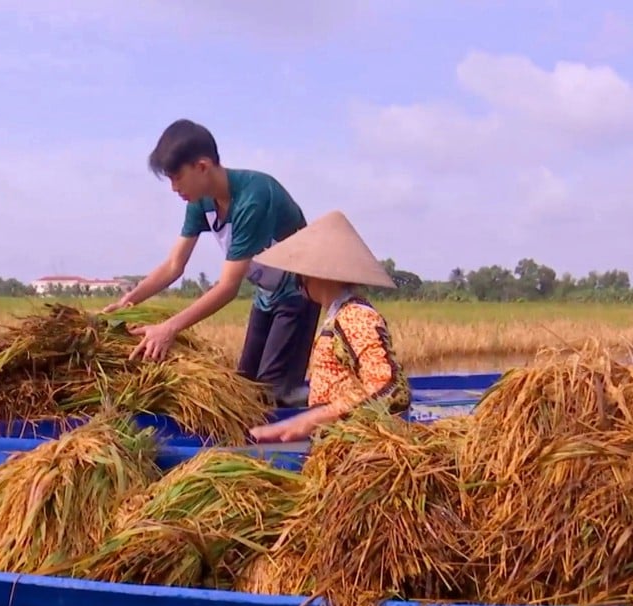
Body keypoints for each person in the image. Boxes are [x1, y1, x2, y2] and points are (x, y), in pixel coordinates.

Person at [105, 119, 321, 408]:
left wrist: (169, 328)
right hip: (267, 295)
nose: (173, 188)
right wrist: (128, 302)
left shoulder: (253, 199)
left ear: (202, 167)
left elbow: (229, 286)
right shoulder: (201, 202)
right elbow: (173, 265)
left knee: (273, 395)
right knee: (243, 386)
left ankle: (332, 400)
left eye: (177, 177)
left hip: (300, 293)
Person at [247, 210, 411, 443]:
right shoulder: (337, 316)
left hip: (359, 450)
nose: (296, 279)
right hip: (337, 443)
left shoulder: (355, 317)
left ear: (319, 274)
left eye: (299, 272)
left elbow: (390, 389)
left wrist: (308, 421)